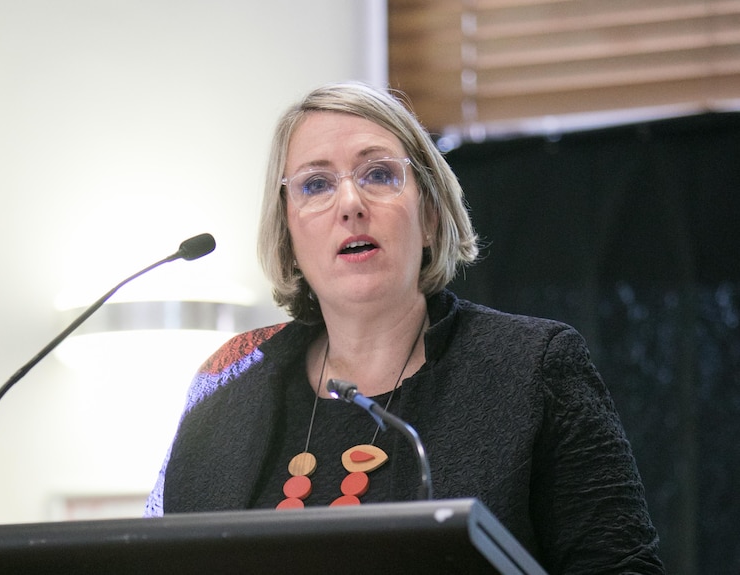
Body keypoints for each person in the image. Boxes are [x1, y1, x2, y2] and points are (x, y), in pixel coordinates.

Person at [143, 81, 664, 574]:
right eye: (316, 184)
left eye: (378, 174)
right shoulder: (229, 379)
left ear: (431, 216)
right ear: (287, 234)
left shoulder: (532, 367)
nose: (350, 205)